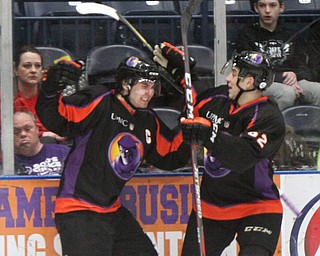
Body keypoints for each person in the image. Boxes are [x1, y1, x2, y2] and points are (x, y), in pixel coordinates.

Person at [35, 56, 190, 256]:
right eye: (144, 86)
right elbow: (58, 118)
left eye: (153, 87)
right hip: (79, 210)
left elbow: (171, 155)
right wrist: (50, 88)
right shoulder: (100, 100)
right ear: (125, 84)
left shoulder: (146, 120)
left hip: (111, 211)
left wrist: (190, 113)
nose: (149, 93)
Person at [154, 43, 286, 255]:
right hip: (211, 208)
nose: (228, 79)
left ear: (249, 81)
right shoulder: (218, 99)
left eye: (234, 74)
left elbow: (241, 157)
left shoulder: (269, 117)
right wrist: (183, 74)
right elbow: (195, 103)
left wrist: (208, 134)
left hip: (257, 207)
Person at [235, 0, 320, 110]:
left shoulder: (291, 33)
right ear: (256, 8)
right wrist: (282, 78)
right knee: (286, 93)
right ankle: (278, 126)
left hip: (292, 80)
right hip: (260, 82)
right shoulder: (246, 35)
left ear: (281, 8)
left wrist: (294, 76)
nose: (267, 11)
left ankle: (313, 126)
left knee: (318, 90)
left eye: (272, 5)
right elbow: (250, 69)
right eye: (262, 6)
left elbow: (303, 65)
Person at [13, 45, 66, 143]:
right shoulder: (5, 99)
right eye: (27, 66)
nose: (33, 70)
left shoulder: (52, 97)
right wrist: (41, 134)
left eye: (38, 66)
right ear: (15, 70)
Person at [14, 110, 70, 176]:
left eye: (28, 129)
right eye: (16, 131)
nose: (23, 134)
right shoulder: (7, 164)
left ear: (37, 129)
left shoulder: (64, 153)